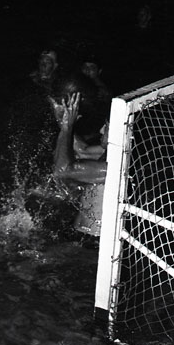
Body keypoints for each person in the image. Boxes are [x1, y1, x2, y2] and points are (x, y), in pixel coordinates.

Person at [50, 92, 108, 237]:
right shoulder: (108, 151)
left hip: (97, 242)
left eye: (106, 126)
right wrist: (63, 119)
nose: (101, 130)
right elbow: (82, 151)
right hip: (82, 235)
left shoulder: (116, 167)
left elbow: (62, 171)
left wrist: (66, 127)